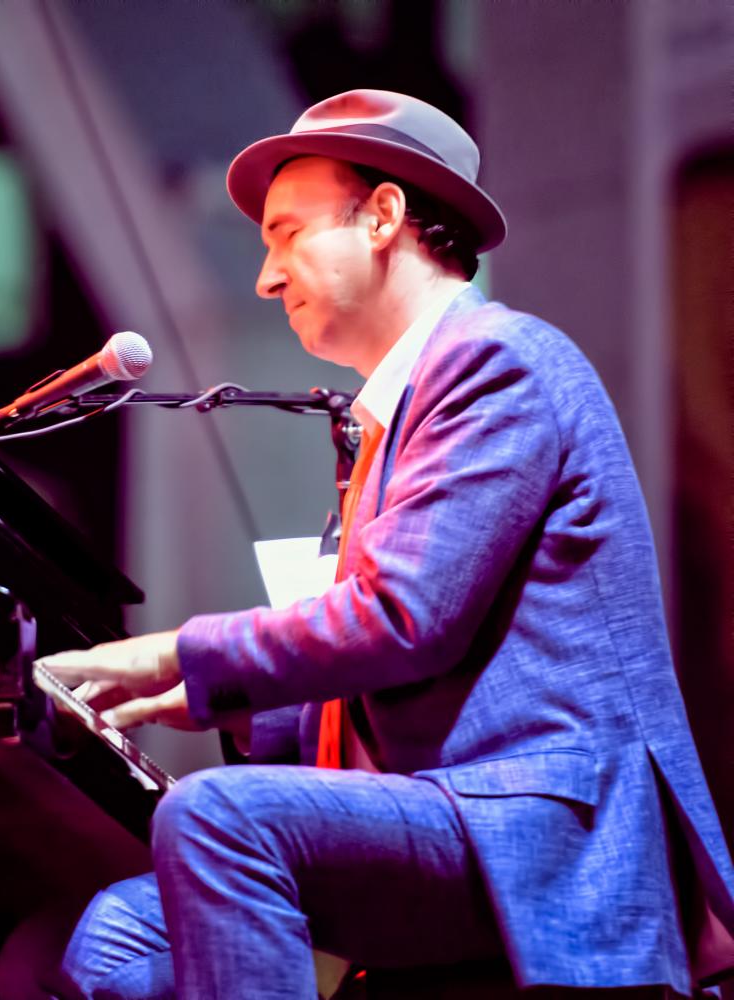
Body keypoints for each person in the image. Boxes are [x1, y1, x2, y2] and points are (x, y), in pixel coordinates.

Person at [40, 90, 734, 998]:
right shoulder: (397, 419)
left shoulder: (499, 361)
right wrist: (216, 700)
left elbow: (405, 618)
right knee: (112, 945)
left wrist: (170, 650)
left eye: (286, 232)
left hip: (545, 825)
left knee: (216, 819)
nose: (265, 276)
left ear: (383, 216)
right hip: (459, 817)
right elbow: (385, 668)